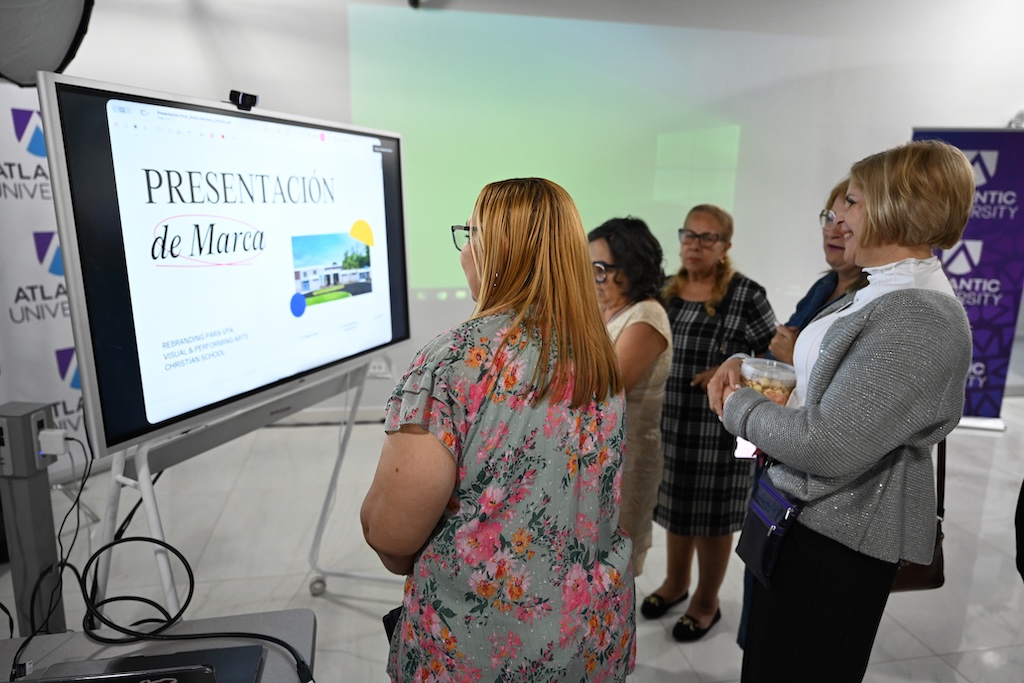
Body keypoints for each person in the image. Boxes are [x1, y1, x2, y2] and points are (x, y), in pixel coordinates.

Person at [708, 139, 974, 682]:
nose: (837, 217)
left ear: (897, 205)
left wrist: (737, 405)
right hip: (806, 516)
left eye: (850, 202)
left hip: (837, 537)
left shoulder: (918, 314)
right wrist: (749, 366)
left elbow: (830, 444)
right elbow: (822, 385)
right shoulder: (881, 291)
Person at [360, 178, 636, 681]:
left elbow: (392, 534)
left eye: (469, 233)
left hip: (485, 653)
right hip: (590, 638)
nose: (463, 251)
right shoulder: (597, 355)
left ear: (493, 249)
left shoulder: (454, 362)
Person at [736, 178, 868, 649]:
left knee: (794, 624)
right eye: (828, 216)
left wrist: (795, 356)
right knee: (762, 570)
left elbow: (847, 401)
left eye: (847, 212)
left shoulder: (876, 300)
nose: (835, 228)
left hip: (819, 483)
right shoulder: (826, 285)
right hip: (779, 453)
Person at [642, 204, 776, 642]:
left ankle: (705, 602)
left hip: (720, 431)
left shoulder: (747, 295)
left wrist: (728, 367)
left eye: (708, 237)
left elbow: (774, 361)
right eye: (689, 235)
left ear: (725, 247)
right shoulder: (664, 291)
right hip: (670, 423)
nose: (695, 245)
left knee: (713, 521)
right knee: (676, 513)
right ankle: (675, 585)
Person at [588, 217, 672, 576]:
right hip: (597, 454)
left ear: (634, 266)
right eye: (591, 267)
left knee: (613, 567)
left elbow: (603, 386)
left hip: (627, 458)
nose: (596, 277)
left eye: (603, 268)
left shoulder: (647, 316)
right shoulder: (604, 307)